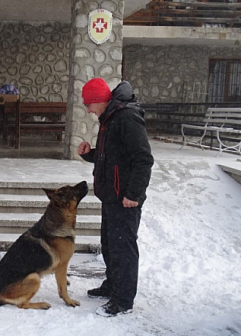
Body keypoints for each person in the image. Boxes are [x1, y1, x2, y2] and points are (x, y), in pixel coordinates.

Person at [77, 78, 153, 317]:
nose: (88, 110)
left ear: (99, 100)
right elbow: (111, 156)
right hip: (112, 196)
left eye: (89, 105)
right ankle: (112, 285)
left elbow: (143, 159)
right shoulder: (110, 118)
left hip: (125, 199)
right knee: (110, 246)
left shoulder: (126, 118)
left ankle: (122, 301)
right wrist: (91, 155)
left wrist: (134, 194)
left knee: (123, 250)